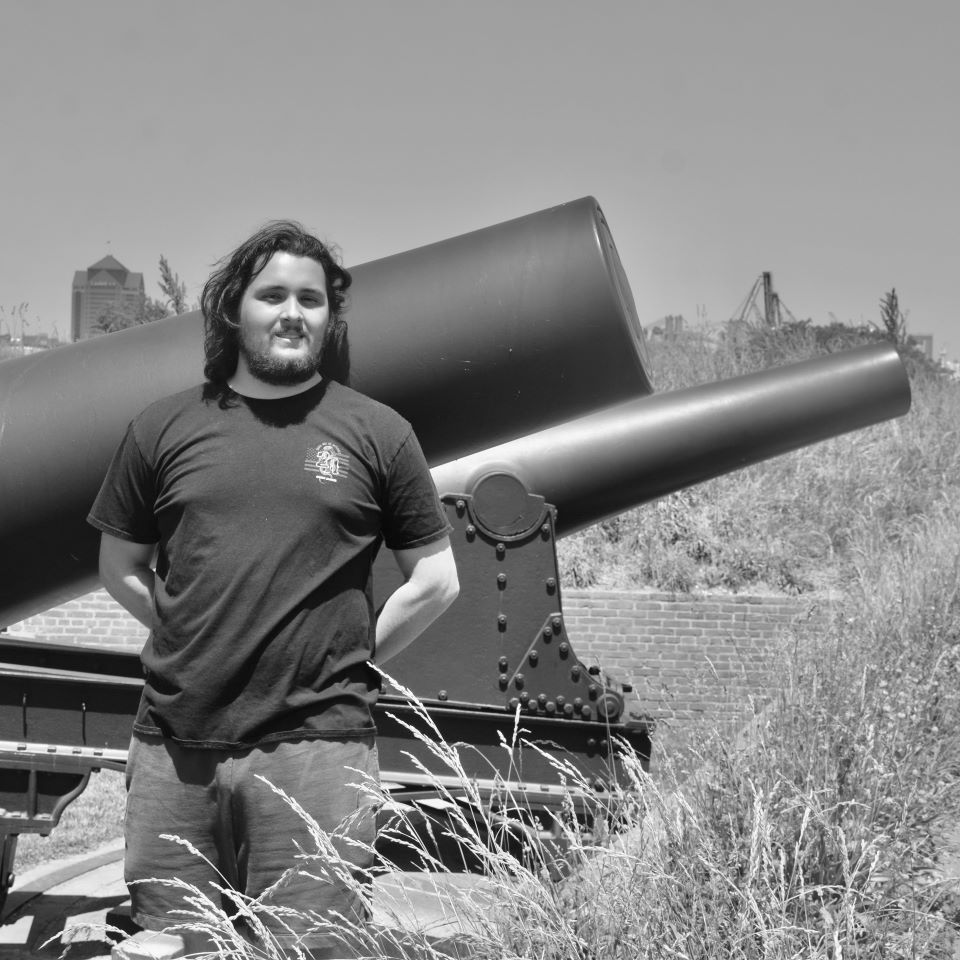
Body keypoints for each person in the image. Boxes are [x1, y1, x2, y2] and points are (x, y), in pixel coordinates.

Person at [87, 221, 459, 957]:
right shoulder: (162, 429)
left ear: (329, 317)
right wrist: (188, 631)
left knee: (313, 948)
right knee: (170, 946)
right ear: (235, 309)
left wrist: (351, 659)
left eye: (311, 300)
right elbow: (119, 565)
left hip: (317, 749)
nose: (293, 313)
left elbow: (437, 581)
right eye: (274, 295)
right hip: (174, 748)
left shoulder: (377, 433)